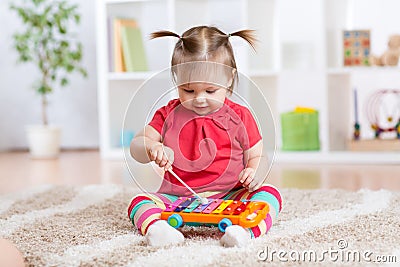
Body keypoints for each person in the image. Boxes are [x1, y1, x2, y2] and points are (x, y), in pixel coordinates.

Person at [128, 26, 282, 247]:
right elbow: (136, 145)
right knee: (139, 202)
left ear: (229, 79)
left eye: (210, 91)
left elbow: (259, 157)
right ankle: (159, 230)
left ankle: (243, 232)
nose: (199, 99)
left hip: (231, 197)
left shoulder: (240, 116)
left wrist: (254, 172)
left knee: (270, 195)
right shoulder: (168, 114)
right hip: (177, 199)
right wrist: (152, 147)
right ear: (176, 79)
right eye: (188, 90)